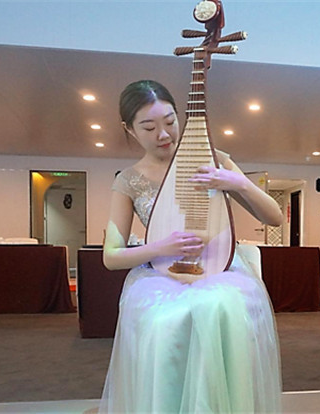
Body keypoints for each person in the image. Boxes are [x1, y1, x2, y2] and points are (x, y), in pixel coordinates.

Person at [98, 80, 283, 413]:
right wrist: (161, 247)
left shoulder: (215, 159)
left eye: (170, 122)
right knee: (164, 321)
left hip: (220, 270)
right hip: (161, 274)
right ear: (129, 129)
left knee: (217, 307)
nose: (164, 134)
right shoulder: (128, 180)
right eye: (149, 127)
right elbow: (111, 256)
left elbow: (275, 217)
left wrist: (238, 183)